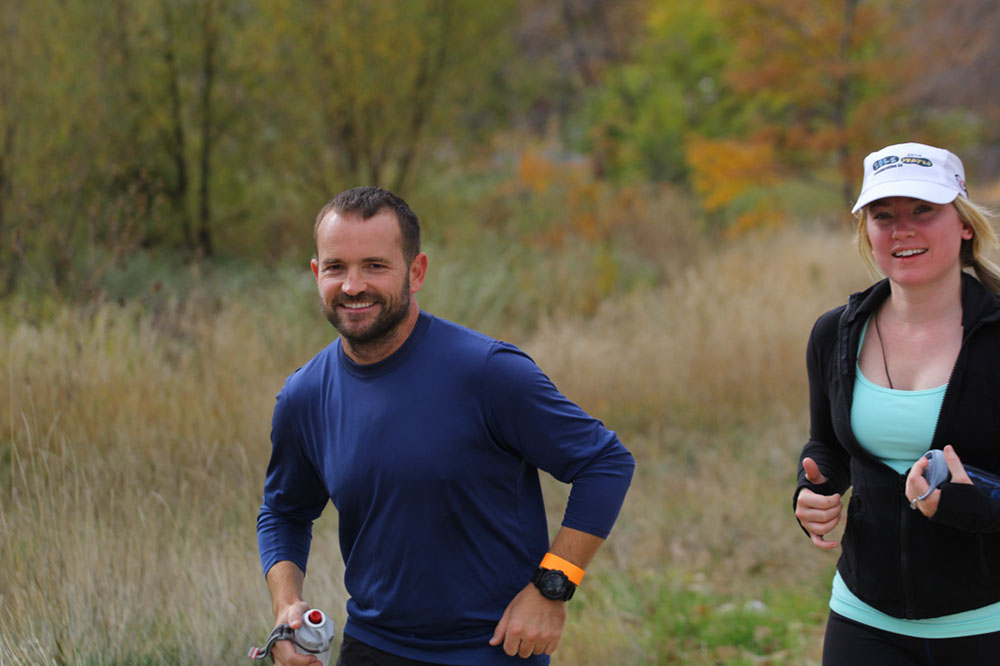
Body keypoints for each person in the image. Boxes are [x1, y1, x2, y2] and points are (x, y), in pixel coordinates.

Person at [257, 186, 635, 665]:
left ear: (416, 272)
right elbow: (284, 512)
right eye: (336, 267)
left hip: (493, 650)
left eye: (374, 266)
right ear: (317, 274)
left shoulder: (488, 372)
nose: (352, 286)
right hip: (372, 647)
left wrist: (552, 587)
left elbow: (605, 463)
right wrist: (287, 607)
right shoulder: (304, 395)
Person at [794, 142, 1000, 664]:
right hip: (863, 620)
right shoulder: (835, 333)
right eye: (883, 215)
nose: (901, 229)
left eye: (923, 210)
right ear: (867, 231)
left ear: (965, 224)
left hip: (987, 623)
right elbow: (828, 446)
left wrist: (973, 507)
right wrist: (815, 490)